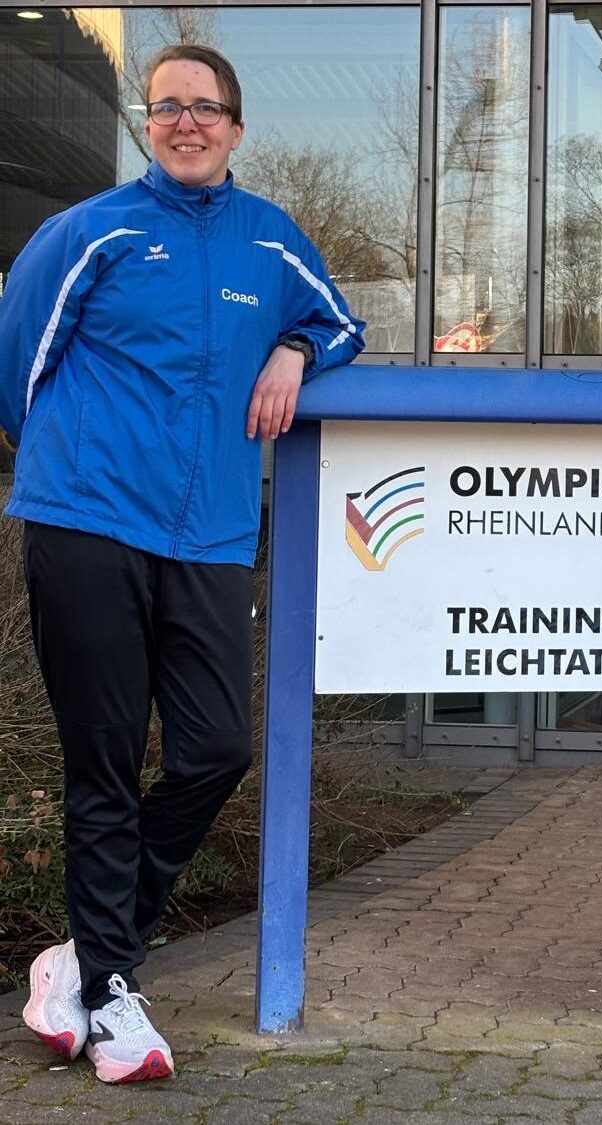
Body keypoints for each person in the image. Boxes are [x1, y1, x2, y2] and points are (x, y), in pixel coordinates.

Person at [0, 44, 364, 1083]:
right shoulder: (88, 230)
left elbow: (339, 321)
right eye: (169, 107)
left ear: (238, 130)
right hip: (86, 528)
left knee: (215, 751)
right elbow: (16, 363)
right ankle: (114, 998)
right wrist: (74, 469)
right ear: (145, 123)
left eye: (207, 108)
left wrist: (294, 351)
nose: (188, 123)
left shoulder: (271, 242)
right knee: (104, 764)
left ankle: (81, 953)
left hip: (208, 535)